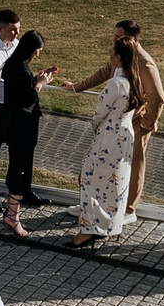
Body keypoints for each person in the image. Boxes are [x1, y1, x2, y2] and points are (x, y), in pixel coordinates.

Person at [69, 21, 163, 225]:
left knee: (132, 166)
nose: (113, 40)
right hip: (115, 125)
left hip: (135, 124)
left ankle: (129, 210)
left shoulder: (144, 63)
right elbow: (104, 73)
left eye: (117, 37)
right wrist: (77, 87)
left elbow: (157, 98)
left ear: (131, 38)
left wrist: (145, 123)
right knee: (100, 166)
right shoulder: (120, 57)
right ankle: (92, 205)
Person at [62, 38, 145, 247]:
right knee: (116, 183)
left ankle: (88, 230)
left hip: (109, 137)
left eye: (111, 54)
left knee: (91, 179)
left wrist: (96, 127)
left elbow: (100, 112)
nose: (109, 57)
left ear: (118, 57)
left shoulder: (116, 84)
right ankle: (108, 225)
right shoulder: (134, 80)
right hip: (125, 136)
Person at [0, 10, 49, 226]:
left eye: (19, 30)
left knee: (19, 153)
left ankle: (24, 191)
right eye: (13, 30)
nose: (16, 34)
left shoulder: (15, 47)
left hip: (11, 109)